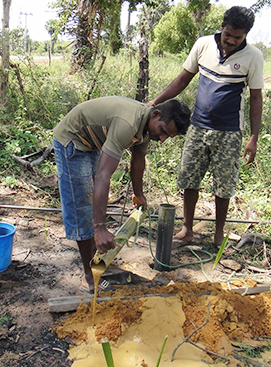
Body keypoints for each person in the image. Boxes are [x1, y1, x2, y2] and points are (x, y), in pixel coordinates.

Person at [147, 6, 263, 246]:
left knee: (224, 185)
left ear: (246, 35)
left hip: (229, 131)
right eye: (228, 34)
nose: (231, 40)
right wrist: (155, 102)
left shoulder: (253, 57)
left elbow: (256, 98)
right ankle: (187, 229)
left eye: (237, 37)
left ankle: (218, 235)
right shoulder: (203, 45)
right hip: (197, 127)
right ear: (221, 27)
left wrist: (253, 137)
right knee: (189, 179)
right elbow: (182, 80)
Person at [53, 96, 191, 292]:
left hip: (91, 143)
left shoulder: (146, 126)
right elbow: (103, 176)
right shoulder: (128, 123)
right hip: (72, 141)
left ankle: (96, 264)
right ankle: (90, 277)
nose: (162, 139)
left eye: (168, 136)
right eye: (162, 132)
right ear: (156, 114)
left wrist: (139, 194)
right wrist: (100, 227)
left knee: (92, 202)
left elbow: (137, 161)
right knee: (82, 207)